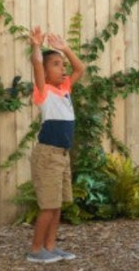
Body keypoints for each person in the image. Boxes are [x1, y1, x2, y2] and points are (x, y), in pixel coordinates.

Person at [27, 26, 86, 263]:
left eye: (63, 65)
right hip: (48, 155)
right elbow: (36, 64)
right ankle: (35, 251)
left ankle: (50, 247)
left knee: (58, 205)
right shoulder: (44, 92)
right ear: (46, 71)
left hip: (62, 155)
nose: (62, 68)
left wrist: (65, 49)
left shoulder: (65, 89)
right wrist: (36, 46)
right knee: (48, 206)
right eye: (56, 64)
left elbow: (80, 68)